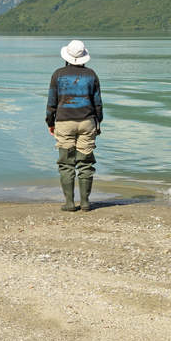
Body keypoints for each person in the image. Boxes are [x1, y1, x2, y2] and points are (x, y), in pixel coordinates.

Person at [46, 39, 103, 212]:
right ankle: (85, 203)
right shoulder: (91, 74)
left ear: (67, 56)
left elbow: (51, 102)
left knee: (66, 163)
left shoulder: (58, 74)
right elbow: (98, 103)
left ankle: (70, 203)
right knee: (86, 163)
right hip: (87, 122)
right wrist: (97, 122)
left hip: (64, 123)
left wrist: (50, 122)